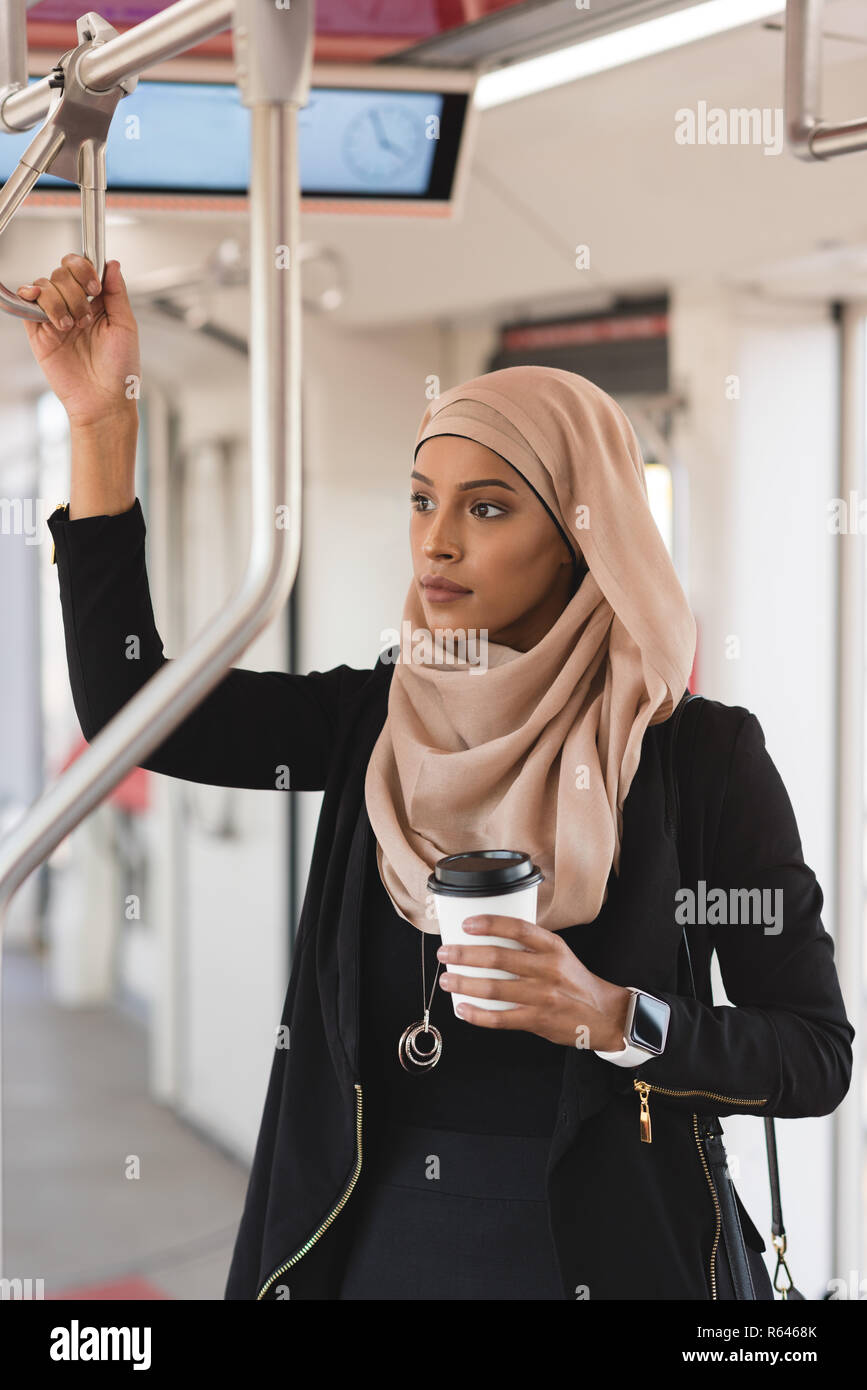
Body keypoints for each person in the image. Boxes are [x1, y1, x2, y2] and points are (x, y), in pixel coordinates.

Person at [25, 254, 854, 1301]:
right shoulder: (374, 719)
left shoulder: (697, 756)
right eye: (422, 501)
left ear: (579, 534)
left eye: (490, 508)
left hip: (608, 1255)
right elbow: (133, 713)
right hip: (373, 1244)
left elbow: (813, 1054)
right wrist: (103, 429)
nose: (438, 542)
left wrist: (613, 1015)